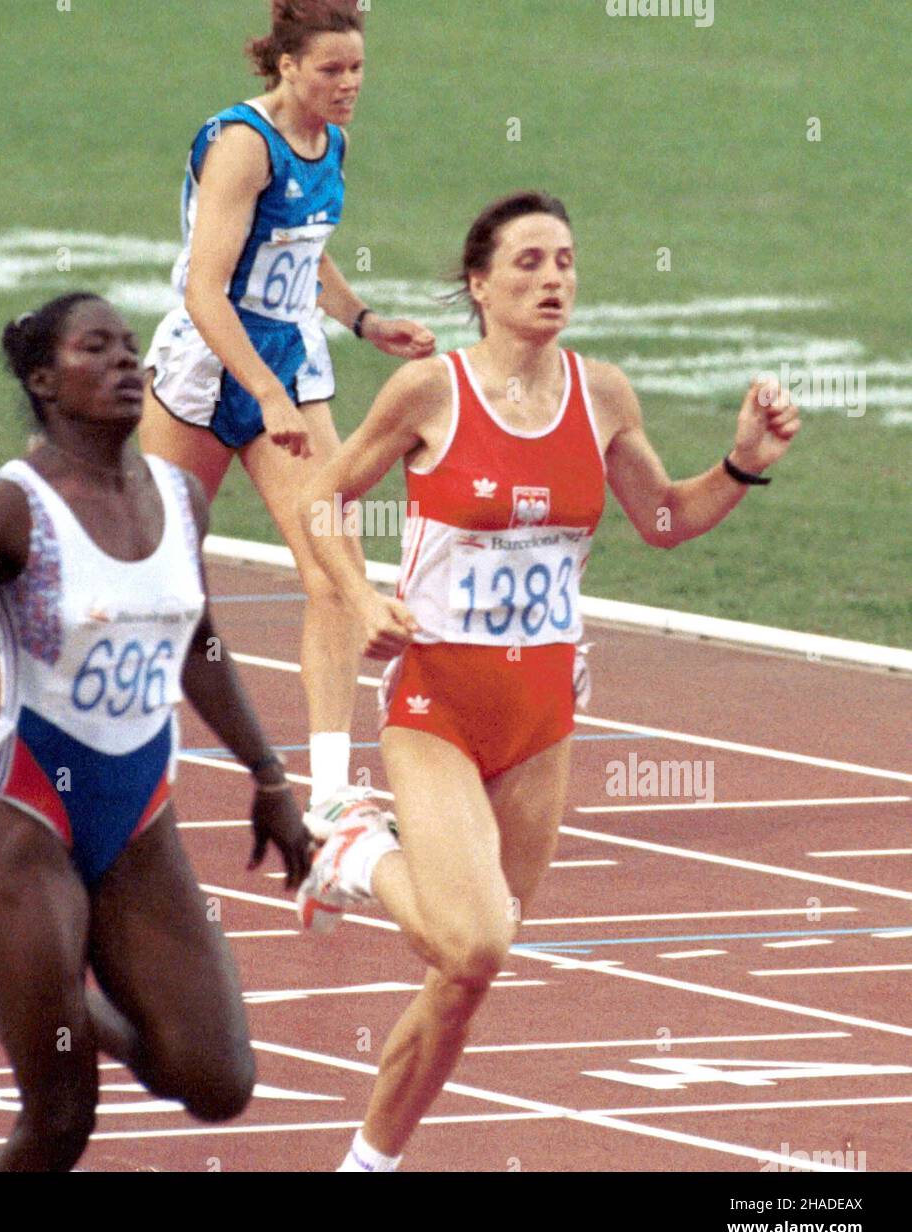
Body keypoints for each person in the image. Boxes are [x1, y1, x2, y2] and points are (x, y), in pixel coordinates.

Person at [295, 190, 801, 1172]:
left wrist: (740, 465)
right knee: (476, 941)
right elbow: (323, 496)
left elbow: (659, 519)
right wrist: (357, 597)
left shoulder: (600, 392)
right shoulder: (428, 392)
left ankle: (366, 1165)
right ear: (477, 286)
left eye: (563, 261)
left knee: (464, 976)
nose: (551, 279)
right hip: (435, 708)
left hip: (541, 723)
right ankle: (354, 847)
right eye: (526, 263)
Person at [0, 292, 311, 1172]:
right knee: (61, 1121)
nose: (125, 364)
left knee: (218, 1080)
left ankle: (46, 997)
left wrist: (269, 776)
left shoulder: (181, 497)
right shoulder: (13, 507)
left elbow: (199, 641)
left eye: (131, 348)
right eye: (96, 350)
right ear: (44, 380)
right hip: (26, 818)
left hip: (139, 820)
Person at [141, 0, 434, 832]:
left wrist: (364, 319)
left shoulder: (331, 144)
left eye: (359, 71)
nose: (349, 87)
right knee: (157, 576)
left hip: (290, 365)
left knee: (335, 572)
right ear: (288, 65)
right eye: (332, 71)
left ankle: (335, 789)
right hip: (209, 366)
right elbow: (204, 288)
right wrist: (260, 392)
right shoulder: (242, 144)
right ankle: (120, 761)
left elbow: (306, 252)